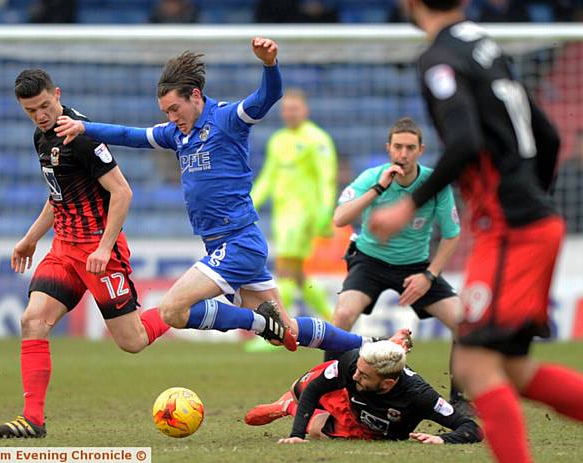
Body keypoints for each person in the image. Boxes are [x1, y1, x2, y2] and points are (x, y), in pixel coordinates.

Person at [55, 38, 370, 356]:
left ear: (195, 96)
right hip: (222, 244)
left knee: (172, 311)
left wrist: (269, 64)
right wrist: (85, 128)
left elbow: (268, 96)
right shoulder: (177, 133)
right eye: (165, 112)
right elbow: (130, 135)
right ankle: (371, 345)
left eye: (174, 109)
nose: (171, 117)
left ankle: (258, 323)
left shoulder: (228, 119)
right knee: (284, 331)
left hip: (238, 242)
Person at [370, 2, 583, 462]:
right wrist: (532, 196)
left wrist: (408, 203)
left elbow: (465, 141)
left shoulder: (440, 58)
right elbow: (546, 134)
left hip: (513, 229)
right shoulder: (486, 47)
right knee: (512, 369)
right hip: (528, 220)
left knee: (474, 363)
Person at [0, 69, 172, 438]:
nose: (40, 115)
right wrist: (29, 239)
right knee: (33, 321)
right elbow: (58, 197)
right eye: (30, 111)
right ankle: (32, 419)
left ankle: (183, 307)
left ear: (57, 94)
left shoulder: (83, 137)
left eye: (44, 106)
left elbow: (122, 193)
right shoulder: (41, 137)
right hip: (64, 250)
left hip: (99, 251)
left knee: (131, 341)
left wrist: (104, 247)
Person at [328, 117, 467, 409]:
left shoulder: (435, 184)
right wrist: (378, 189)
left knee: (463, 323)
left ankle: (460, 398)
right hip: (369, 261)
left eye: (410, 148)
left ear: (420, 150)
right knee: (342, 316)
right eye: (398, 147)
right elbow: (340, 219)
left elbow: (452, 236)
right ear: (389, 149)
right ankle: (331, 393)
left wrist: (429, 275)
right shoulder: (373, 177)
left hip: (416, 266)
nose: (403, 154)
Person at [245, 340, 482, 445]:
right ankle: (290, 402)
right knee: (300, 387)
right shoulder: (353, 363)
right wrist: (297, 435)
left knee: (319, 430)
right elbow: (315, 388)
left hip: (364, 429)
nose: (356, 375)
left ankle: (286, 407)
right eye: (358, 370)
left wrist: (442, 439)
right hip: (350, 397)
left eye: (364, 375)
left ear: (388, 384)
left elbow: (472, 429)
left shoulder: (421, 397)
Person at [247, 89, 337, 352]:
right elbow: (268, 177)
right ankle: (335, 320)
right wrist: (249, 202)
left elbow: (326, 177)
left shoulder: (317, 139)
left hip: (304, 214)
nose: (290, 113)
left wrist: (324, 211)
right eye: (286, 109)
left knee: (285, 268)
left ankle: (279, 332)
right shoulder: (278, 140)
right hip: (282, 214)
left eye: (295, 108)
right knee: (297, 275)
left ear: (305, 110)